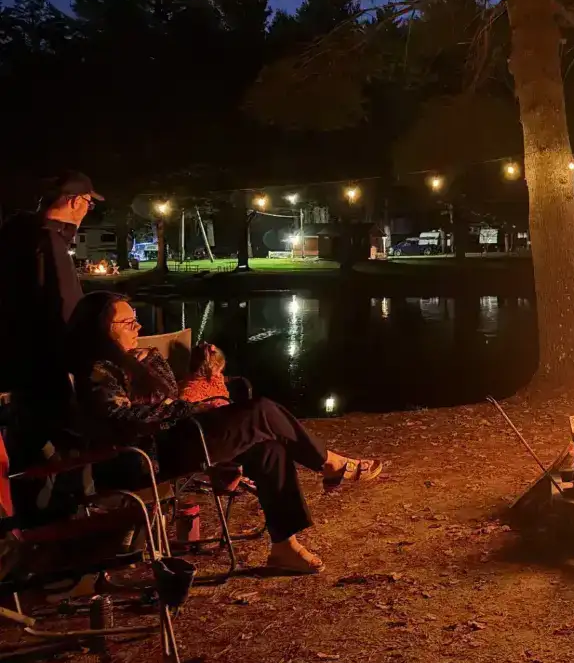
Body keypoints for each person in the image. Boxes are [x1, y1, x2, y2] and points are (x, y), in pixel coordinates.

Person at [67, 292, 383, 574]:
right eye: (127, 323)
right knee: (260, 410)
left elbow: (172, 395)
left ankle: (284, 545)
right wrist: (188, 409)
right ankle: (329, 464)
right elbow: (121, 418)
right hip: (152, 455)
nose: (138, 329)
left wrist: (152, 364)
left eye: (137, 321)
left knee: (269, 446)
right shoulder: (99, 370)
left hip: (179, 437)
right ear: (101, 330)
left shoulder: (137, 359)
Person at [0, 171, 102, 464]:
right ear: (73, 201)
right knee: (57, 446)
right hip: (44, 364)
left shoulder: (13, 235)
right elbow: (67, 310)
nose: (87, 211)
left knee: (26, 440)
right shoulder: (49, 244)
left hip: (14, 361)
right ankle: (60, 504)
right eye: (87, 203)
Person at [179, 342, 231, 409]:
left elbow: (223, 396)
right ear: (205, 370)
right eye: (218, 370)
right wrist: (207, 406)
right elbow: (191, 409)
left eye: (221, 370)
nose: (219, 375)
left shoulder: (216, 379)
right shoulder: (192, 390)